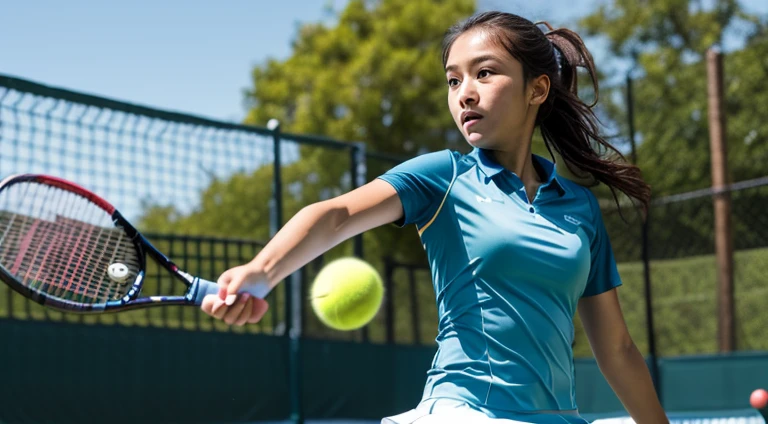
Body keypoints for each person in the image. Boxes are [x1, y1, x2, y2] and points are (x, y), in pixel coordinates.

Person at [200, 11, 668, 424]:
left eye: (484, 73)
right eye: (453, 80)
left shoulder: (579, 209)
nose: (465, 93)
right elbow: (336, 214)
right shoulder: (443, 177)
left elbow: (617, 349)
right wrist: (260, 272)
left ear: (537, 88)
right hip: (463, 413)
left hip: (557, 417)